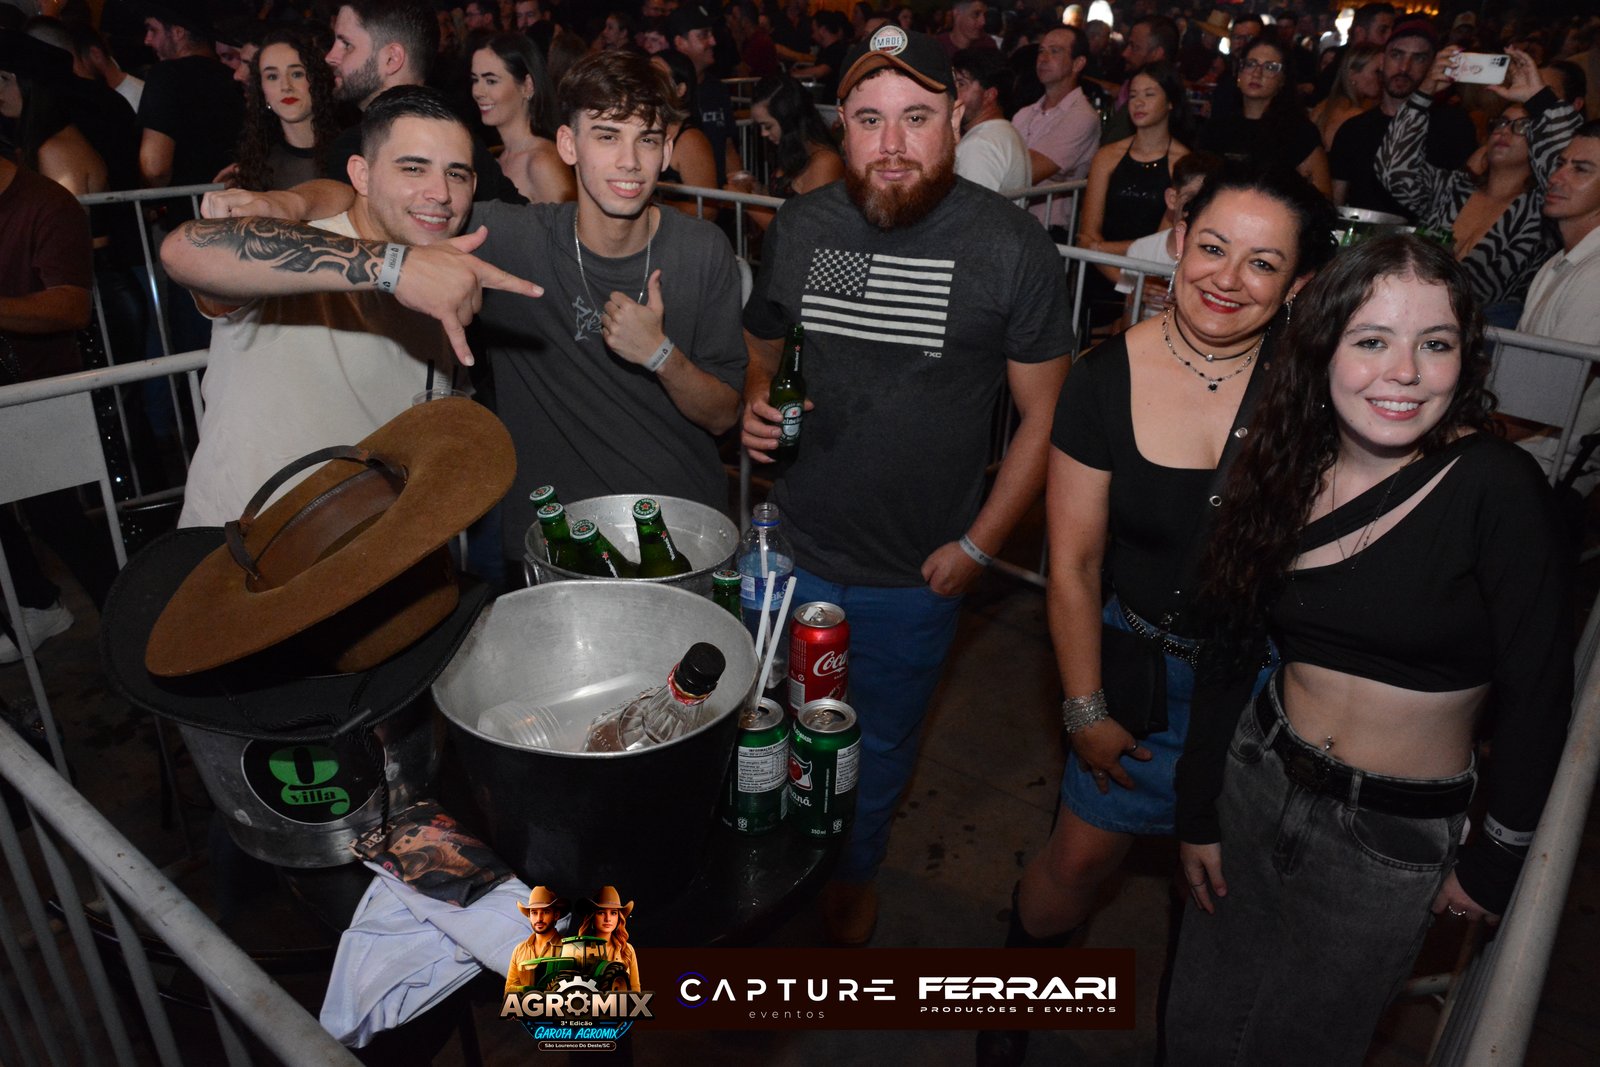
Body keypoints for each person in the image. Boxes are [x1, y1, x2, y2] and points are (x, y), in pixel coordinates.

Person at [1166, 234, 1571, 1066]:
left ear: (1465, 357)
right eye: (1373, 340)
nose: (1406, 372)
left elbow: (1539, 689)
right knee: (1198, 1019)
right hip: (1257, 779)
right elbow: (1232, 646)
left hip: (1389, 837)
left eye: (1436, 343)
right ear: (1323, 349)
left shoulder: (1495, 485)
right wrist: (1198, 804)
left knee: (1303, 1046)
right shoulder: (1284, 465)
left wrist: (1496, 858)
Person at [988, 163, 1335, 1067]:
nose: (1228, 278)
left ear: (1299, 284)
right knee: (1073, 869)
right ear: (1178, 240)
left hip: (1263, 695)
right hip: (1138, 680)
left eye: (1263, 264)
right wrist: (1085, 708)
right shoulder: (1103, 379)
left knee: (1217, 891)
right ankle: (1007, 1008)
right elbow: (1073, 564)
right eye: (1213, 247)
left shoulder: (1320, 387)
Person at [742, 26, 1072, 947]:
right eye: (869, 119)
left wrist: (980, 547)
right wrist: (757, 398)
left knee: (875, 748)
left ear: (957, 120)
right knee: (768, 729)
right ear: (842, 127)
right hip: (792, 554)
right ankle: (771, 873)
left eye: (916, 118)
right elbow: (762, 342)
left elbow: (1046, 417)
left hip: (914, 575)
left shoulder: (1011, 247)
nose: (891, 145)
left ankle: (851, 877)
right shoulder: (803, 225)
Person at [157, 86, 492, 529]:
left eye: (456, 174)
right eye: (413, 168)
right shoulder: (303, 242)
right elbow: (184, 249)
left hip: (368, 550)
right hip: (245, 548)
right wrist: (395, 267)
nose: (440, 193)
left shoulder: (445, 275)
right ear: (362, 176)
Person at [0, 150, 116, 662]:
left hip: (37, 388)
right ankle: (36, 601)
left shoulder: (47, 204)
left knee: (57, 517)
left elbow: (71, 305)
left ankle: (133, 631)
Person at [1378, 46, 1582, 312]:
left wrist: (1538, 98)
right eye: (1501, 123)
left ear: (1540, 140)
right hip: (1409, 310)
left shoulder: (1544, 208)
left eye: (1522, 126)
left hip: (1489, 332)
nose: (1504, 132)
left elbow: (1571, 159)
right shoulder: (1453, 188)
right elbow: (1394, 172)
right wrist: (1423, 94)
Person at [1507, 122, 1600, 493]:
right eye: (1561, 163)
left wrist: (1452, 435)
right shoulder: (1561, 261)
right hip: (1517, 455)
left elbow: (1536, 410)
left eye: (1581, 169)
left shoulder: (1596, 274)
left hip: (1543, 477)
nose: (1557, 177)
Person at [1328, 18, 1478, 215]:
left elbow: (1460, 200)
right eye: (1396, 55)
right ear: (1382, 61)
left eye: (1419, 58)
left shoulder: (1453, 125)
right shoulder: (1354, 129)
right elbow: (1336, 202)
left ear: (1431, 65)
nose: (1404, 68)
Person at [1078, 61, 1192, 284]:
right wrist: (1126, 285)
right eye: (1132, 96)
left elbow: (1163, 242)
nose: (1139, 103)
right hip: (1102, 271)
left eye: (1149, 94)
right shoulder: (1107, 156)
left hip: (1152, 278)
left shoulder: (1182, 163)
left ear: (1170, 102)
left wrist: (1100, 248)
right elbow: (1087, 234)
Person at [1198, 36, 1330, 196]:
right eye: (1250, 64)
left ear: (1283, 79)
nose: (1257, 73)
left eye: (1270, 67)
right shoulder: (1216, 128)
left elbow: (1321, 197)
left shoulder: (1299, 132)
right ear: (1239, 73)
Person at [138, 0, 242, 193]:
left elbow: (155, 169)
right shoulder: (235, 78)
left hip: (191, 206)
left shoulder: (165, 75)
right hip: (238, 198)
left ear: (178, 32)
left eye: (153, 30)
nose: (147, 40)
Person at [1011, 25, 1100, 235]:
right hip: (1013, 221)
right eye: (1041, 51)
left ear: (1078, 63)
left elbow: (1027, 171)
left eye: (1055, 51)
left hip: (1048, 229)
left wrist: (1009, 162)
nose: (1043, 58)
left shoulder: (1082, 116)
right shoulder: (1025, 113)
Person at [1114, 150, 1222, 322]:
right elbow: (1126, 329)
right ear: (1172, 199)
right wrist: (1135, 300)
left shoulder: (1221, 257)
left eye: (1206, 204)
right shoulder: (1142, 250)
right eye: (1191, 202)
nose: (1197, 213)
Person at [726, 73, 843, 231]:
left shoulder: (825, 162)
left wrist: (745, 202)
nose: (763, 133)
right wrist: (756, 189)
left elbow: (804, 232)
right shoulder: (795, 150)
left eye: (768, 126)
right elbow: (785, 201)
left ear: (788, 120)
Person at [231, 29, 341, 193]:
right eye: (272, 77)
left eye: (296, 74)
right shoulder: (258, 167)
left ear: (317, 80)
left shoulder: (351, 149)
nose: (286, 86)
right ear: (262, 91)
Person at [470, 32, 574, 204]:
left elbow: (570, 221)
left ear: (528, 86)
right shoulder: (497, 158)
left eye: (491, 81)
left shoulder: (542, 163)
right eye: (475, 80)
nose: (477, 92)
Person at [667, 5, 741, 186]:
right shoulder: (665, 92)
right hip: (682, 199)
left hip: (719, 196)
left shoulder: (717, 89)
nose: (713, 41)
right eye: (703, 35)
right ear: (680, 42)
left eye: (711, 34)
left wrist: (740, 183)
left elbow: (727, 147)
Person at [951, 46, 1029, 194]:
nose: (952, 92)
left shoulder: (980, 145)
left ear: (989, 95)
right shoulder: (1005, 133)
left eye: (961, 84)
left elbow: (972, 206)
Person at [1309, 42, 1381, 151]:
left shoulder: (1324, 106)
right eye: (1377, 72)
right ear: (1353, 74)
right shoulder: (1356, 118)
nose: (1382, 78)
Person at [575, 886, 639, 991]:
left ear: (619, 917)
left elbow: (635, 988)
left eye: (613, 913)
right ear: (592, 916)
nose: (608, 919)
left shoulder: (627, 949)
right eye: (601, 912)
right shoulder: (578, 949)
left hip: (621, 1001)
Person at [504, 886, 566, 994]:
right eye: (534, 912)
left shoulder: (570, 948)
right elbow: (509, 992)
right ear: (529, 916)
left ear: (556, 915)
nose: (539, 919)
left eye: (545, 912)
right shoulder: (519, 950)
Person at [791, 9, 850, 100]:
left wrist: (794, 74)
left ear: (822, 30)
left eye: (814, 31)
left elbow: (820, 71)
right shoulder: (829, 50)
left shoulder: (836, 51)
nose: (812, 36)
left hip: (826, 100)